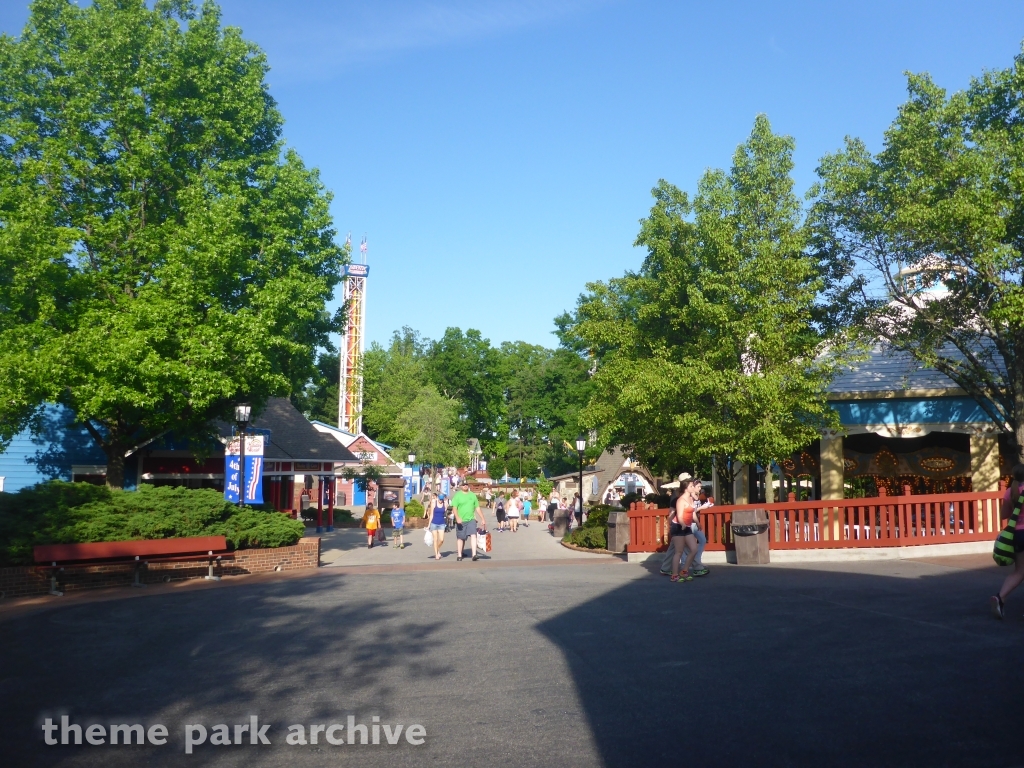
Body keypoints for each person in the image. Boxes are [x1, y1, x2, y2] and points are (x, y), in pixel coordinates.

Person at [992, 463, 1024, 618]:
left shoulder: (1010, 492)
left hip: (1017, 534)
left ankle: (1000, 597)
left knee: (1020, 571)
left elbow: (1004, 514)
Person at [669, 479, 701, 582]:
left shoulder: (691, 499)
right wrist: (682, 524)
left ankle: (684, 571)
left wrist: (697, 522)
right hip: (678, 526)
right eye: (691, 486)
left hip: (686, 526)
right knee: (678, 551)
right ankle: (674, 574)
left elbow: (692, 513)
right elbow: (679, 516)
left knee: (694, 548)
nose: (693, 488)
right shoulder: (681, 500)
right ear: (686, 488)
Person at [451, 484, 487, 561]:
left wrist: (482, 519)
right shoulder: (457, 495)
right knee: (461, 538)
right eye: (463, 485)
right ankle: (459, 554)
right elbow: (454, 508)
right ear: (461, 486)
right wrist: (457, 518)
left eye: (466, 484)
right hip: (461, 520)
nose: (465, 486)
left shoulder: (472, 495)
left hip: (471, 519)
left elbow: (477, 508)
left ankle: (474, 554)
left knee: (473, 535)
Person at [427, 493, 446, 560]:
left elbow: (446, 512)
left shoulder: (445, 504)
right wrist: (428, 525)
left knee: (441, 540)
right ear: (437, 498)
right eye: (439, 499)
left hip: (441, 524)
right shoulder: (434, 503)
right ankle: (436, 554)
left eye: (442, 499)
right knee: (435, 539)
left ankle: (437, 550)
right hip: (434, 523)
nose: (440, 501)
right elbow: (431, 514)